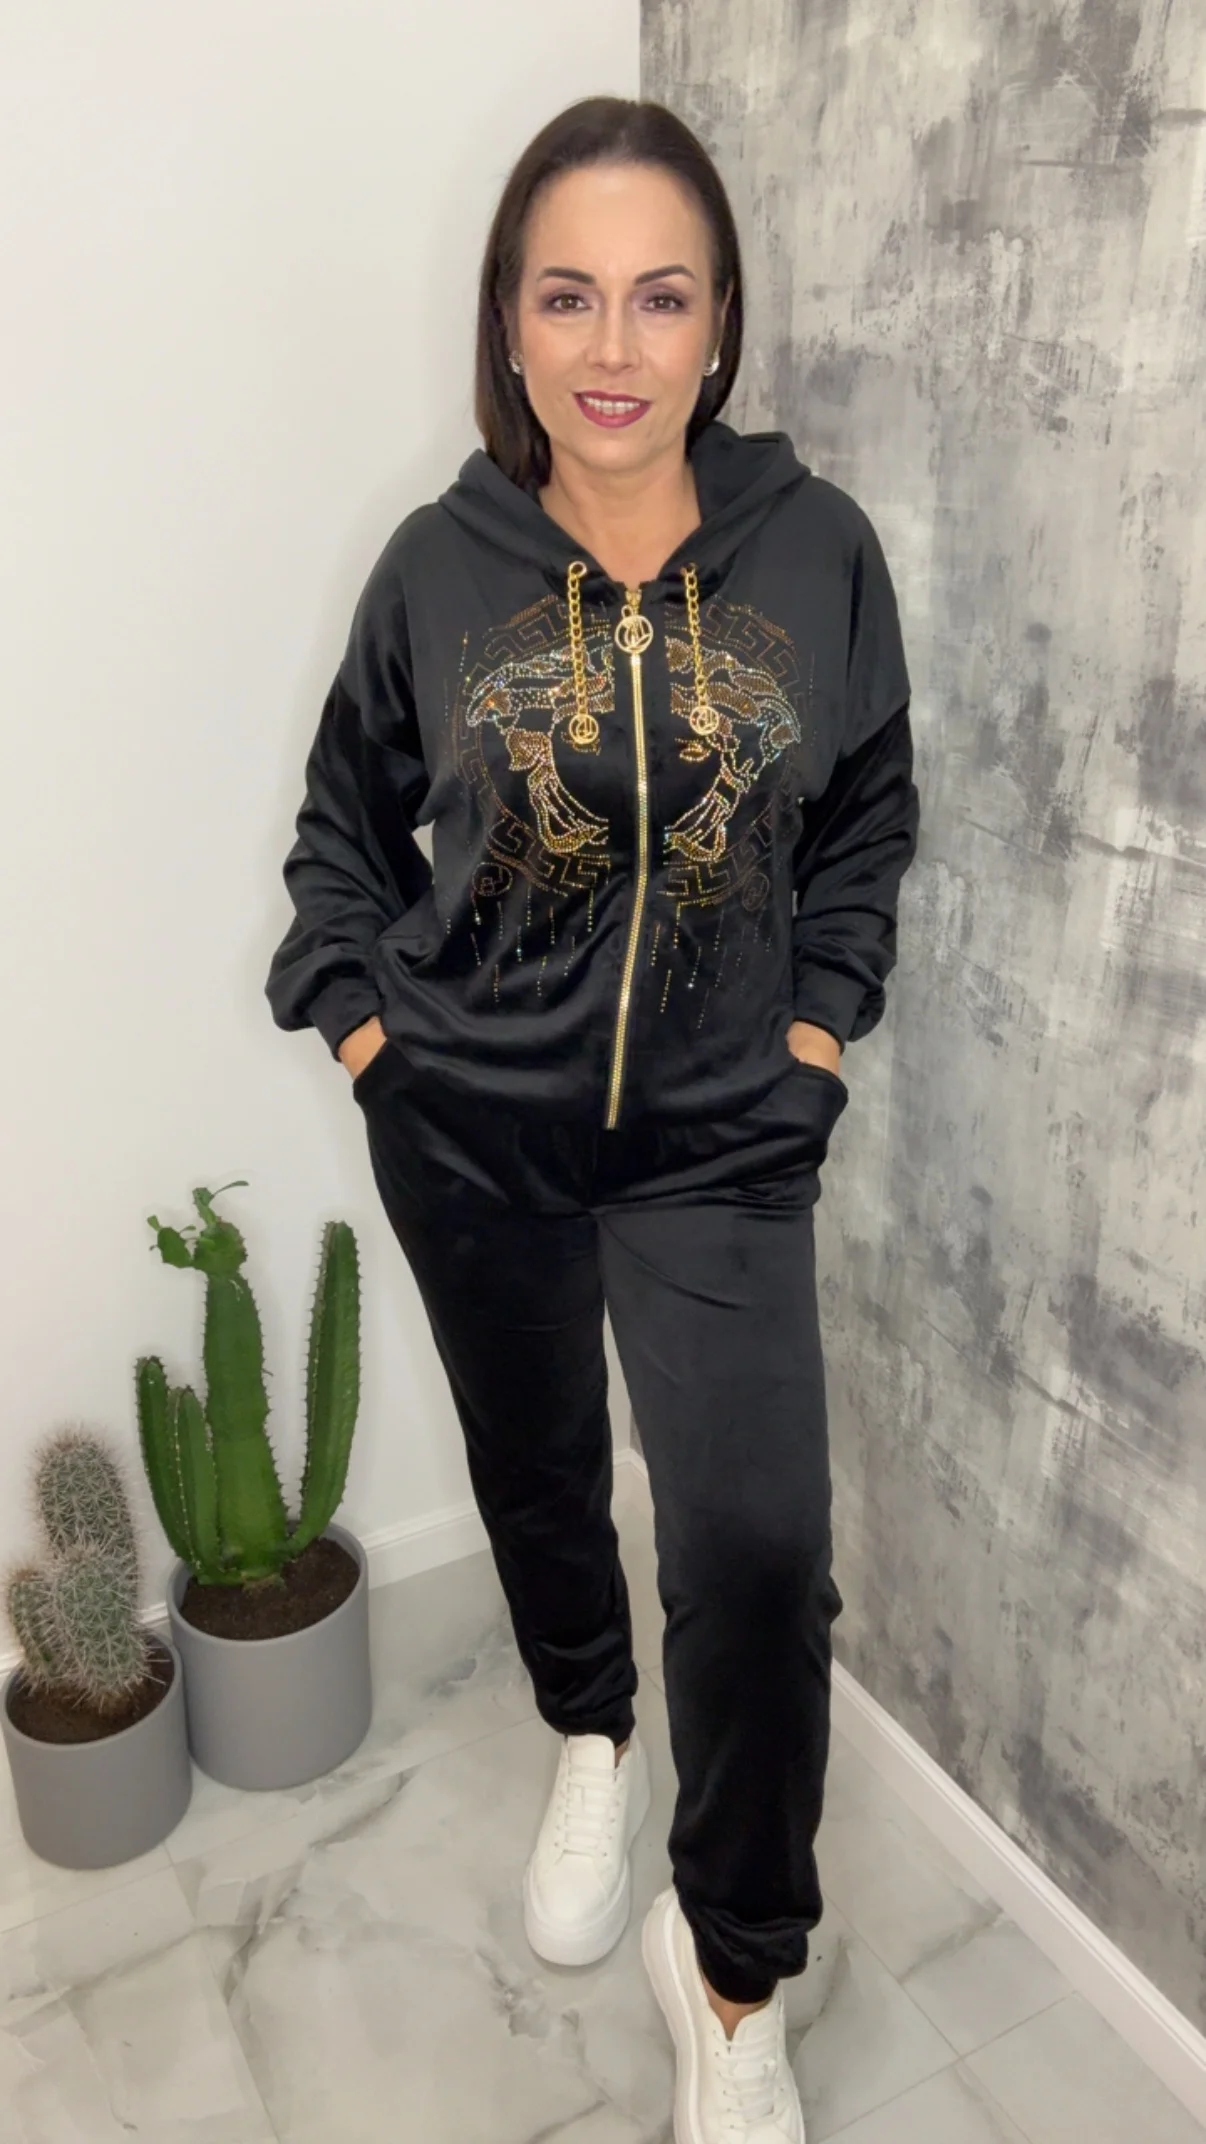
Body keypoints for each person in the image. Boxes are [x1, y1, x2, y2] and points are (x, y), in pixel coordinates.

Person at [265, 93, 919, 2144]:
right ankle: (589, 1735)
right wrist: (375, 1049)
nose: (613, 347)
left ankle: (728, 1974)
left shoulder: (814, 553)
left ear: (721, 322)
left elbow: (866, 820)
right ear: (510, 320)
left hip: (726, 1142)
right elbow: (338, 845)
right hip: (477, 1133)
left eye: (660, 296)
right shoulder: (435, 569)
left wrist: (814, 1043)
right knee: (540, 1475)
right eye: (568, 296)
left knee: (758, 1560)